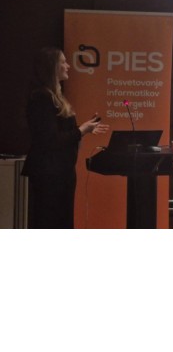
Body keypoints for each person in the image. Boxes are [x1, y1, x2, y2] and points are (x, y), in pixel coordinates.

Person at [22, 46, 109, 228]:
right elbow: (50, 140)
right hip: (49, 174)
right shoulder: (41, 97)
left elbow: (61, 134)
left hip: (62, 172)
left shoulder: (56, 97)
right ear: (52, 67)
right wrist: (81, 130)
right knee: (49, 222)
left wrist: (85, 128)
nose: (68, 66)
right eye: (63, 62)